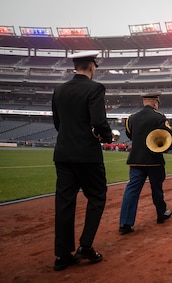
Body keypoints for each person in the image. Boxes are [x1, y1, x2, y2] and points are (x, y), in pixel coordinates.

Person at [52, 50, 111, 271]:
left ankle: (62, 254)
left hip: (63, 153)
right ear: (91, 66)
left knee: (64, 202)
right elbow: (98, 121)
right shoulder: (95, 88)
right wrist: (106, 137)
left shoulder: (59, 89)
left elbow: (58, 123)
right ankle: (85, 245)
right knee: (97, 196)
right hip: (87, 155)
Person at [119, 92, 172, 234]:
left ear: (144, 102)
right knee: (157, 189)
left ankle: (125, 223)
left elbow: (130, 135)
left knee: (131, 191)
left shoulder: (131, 118)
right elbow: (168, 136)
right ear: (155, 103)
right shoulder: (160, 117)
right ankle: (161, 214)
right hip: (154, 161)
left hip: (136, 160)